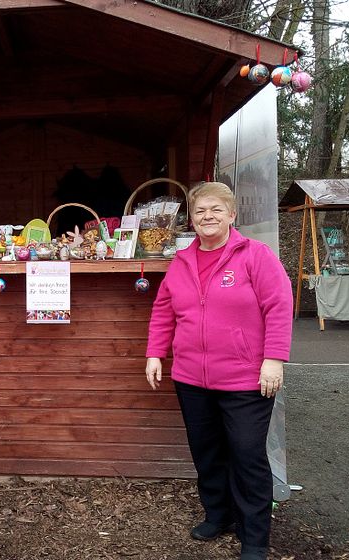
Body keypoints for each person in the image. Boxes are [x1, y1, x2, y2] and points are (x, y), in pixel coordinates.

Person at [144, 182, 293, 560]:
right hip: (192, 377)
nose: (207, 217)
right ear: (191, 219)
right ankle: (218, 515)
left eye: (215, 210)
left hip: (246, 378)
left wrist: (274, 358)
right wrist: (155, 354)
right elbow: (164, 309)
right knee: (207, 452)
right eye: (199, 211)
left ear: (231, 215)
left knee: (246, 454)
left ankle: (254, 537)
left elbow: (278, 305)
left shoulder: (255, 256)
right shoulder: (181, 262)